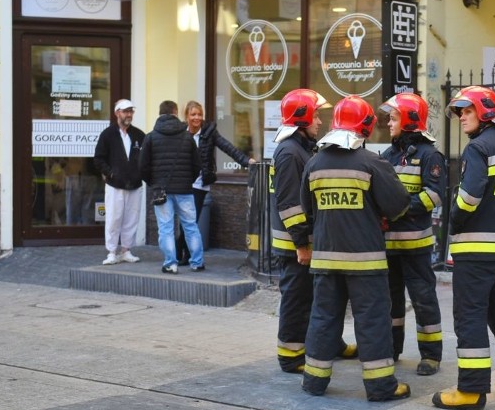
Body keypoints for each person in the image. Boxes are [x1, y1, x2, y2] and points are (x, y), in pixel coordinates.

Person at [299, 95, 411, 402]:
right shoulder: (372, 164)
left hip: (324, 259)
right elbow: (399, 205)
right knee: (373, 321)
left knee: (323, 318)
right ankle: (380, 387)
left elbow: (306, 210)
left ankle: (314, 381)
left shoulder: (314, 164)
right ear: (365, 126)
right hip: (366, 263)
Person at [432, 85, 495, 410]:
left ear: (484, 111)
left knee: (470, 316)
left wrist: (453, 222)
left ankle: (471, 391)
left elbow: (469, 197)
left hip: (474, 251)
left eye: (467, 110)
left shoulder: (478, 148)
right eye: (459, 112)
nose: (461, 117)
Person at [269, 89, 357, 374]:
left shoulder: (300, 148)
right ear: (302, 117)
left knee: (316, 297)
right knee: (297, 298)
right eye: (316, 115)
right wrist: (302, 244)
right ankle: (290, 355)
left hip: (304, 240)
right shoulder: (289, 153)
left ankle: (329, 343)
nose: (320, 122)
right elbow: (290, 203)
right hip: (295, 244)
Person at [378, 93, 446, 376]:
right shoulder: (388, 154)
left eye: (393, 118)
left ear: (408, 120)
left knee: (423, 299)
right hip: (388, 246)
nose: (388, 123)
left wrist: (397, 210)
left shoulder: (430, 155)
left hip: (416, 246)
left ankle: (431, 356)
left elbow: (434, 196)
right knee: (391, 300)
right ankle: (392, 350)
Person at [175, 100, 255, 266]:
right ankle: (182, 253)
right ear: (186, 116)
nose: (197, 118)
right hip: (182, 182)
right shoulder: (180, 132)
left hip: (199, 183)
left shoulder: (209, 132)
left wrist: (246, 161)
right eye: (193, 114)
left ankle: (183, 253)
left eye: (199, 114)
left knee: (191, 220)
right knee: (185, 221)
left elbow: (227, 147)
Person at [139, 100, 204, 275]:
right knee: (190, 226)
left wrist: (153, 183)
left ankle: (170, 263)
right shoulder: (187, 137)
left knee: (166, 228)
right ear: (176, 113)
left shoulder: (151, 137)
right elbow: (197, 165)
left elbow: (142, 166)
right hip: (185, 190)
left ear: (160, 114)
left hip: (162, 191)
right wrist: (187, 181)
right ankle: (197, 262)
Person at [93, 99, 146, 265]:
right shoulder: (107, 134)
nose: (129, 114)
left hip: (135, 184)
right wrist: (110, 173)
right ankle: (111, 251)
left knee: (132, 218)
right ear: (117, 113)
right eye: (125, 111)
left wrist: (141, 173)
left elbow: (146, 158)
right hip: (115, 184)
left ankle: (126, 250)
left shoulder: (139, 134)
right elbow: (98, 158)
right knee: (114, 218)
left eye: (131, 111)